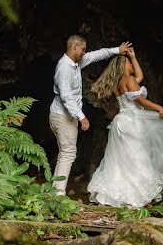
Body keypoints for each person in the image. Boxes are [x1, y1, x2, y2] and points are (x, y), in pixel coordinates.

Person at [87, 47, 163, 208]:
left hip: (121, 121)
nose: (132, 65)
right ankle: (140, 197)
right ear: (123, 65)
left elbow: (139, 77)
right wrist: (158, 108)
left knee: (122, 161)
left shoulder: (119, 81)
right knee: (139, 159)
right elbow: (140, 101)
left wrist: (133, 57)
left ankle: (118, 196)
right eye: (129, 62)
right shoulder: (129, 80)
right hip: (133, 121)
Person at [50, 35, 131, 196]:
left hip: (67, 117)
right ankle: (57, 193)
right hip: (62, 117)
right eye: (83, 49)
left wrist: (117, 50)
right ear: (74, 47)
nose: (84, 53)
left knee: (66, 153)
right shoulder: (64, 68)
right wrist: (82, 117)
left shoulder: (76, 63)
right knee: (68, 153)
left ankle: (56, 191)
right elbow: (66, 97)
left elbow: (97, 54)